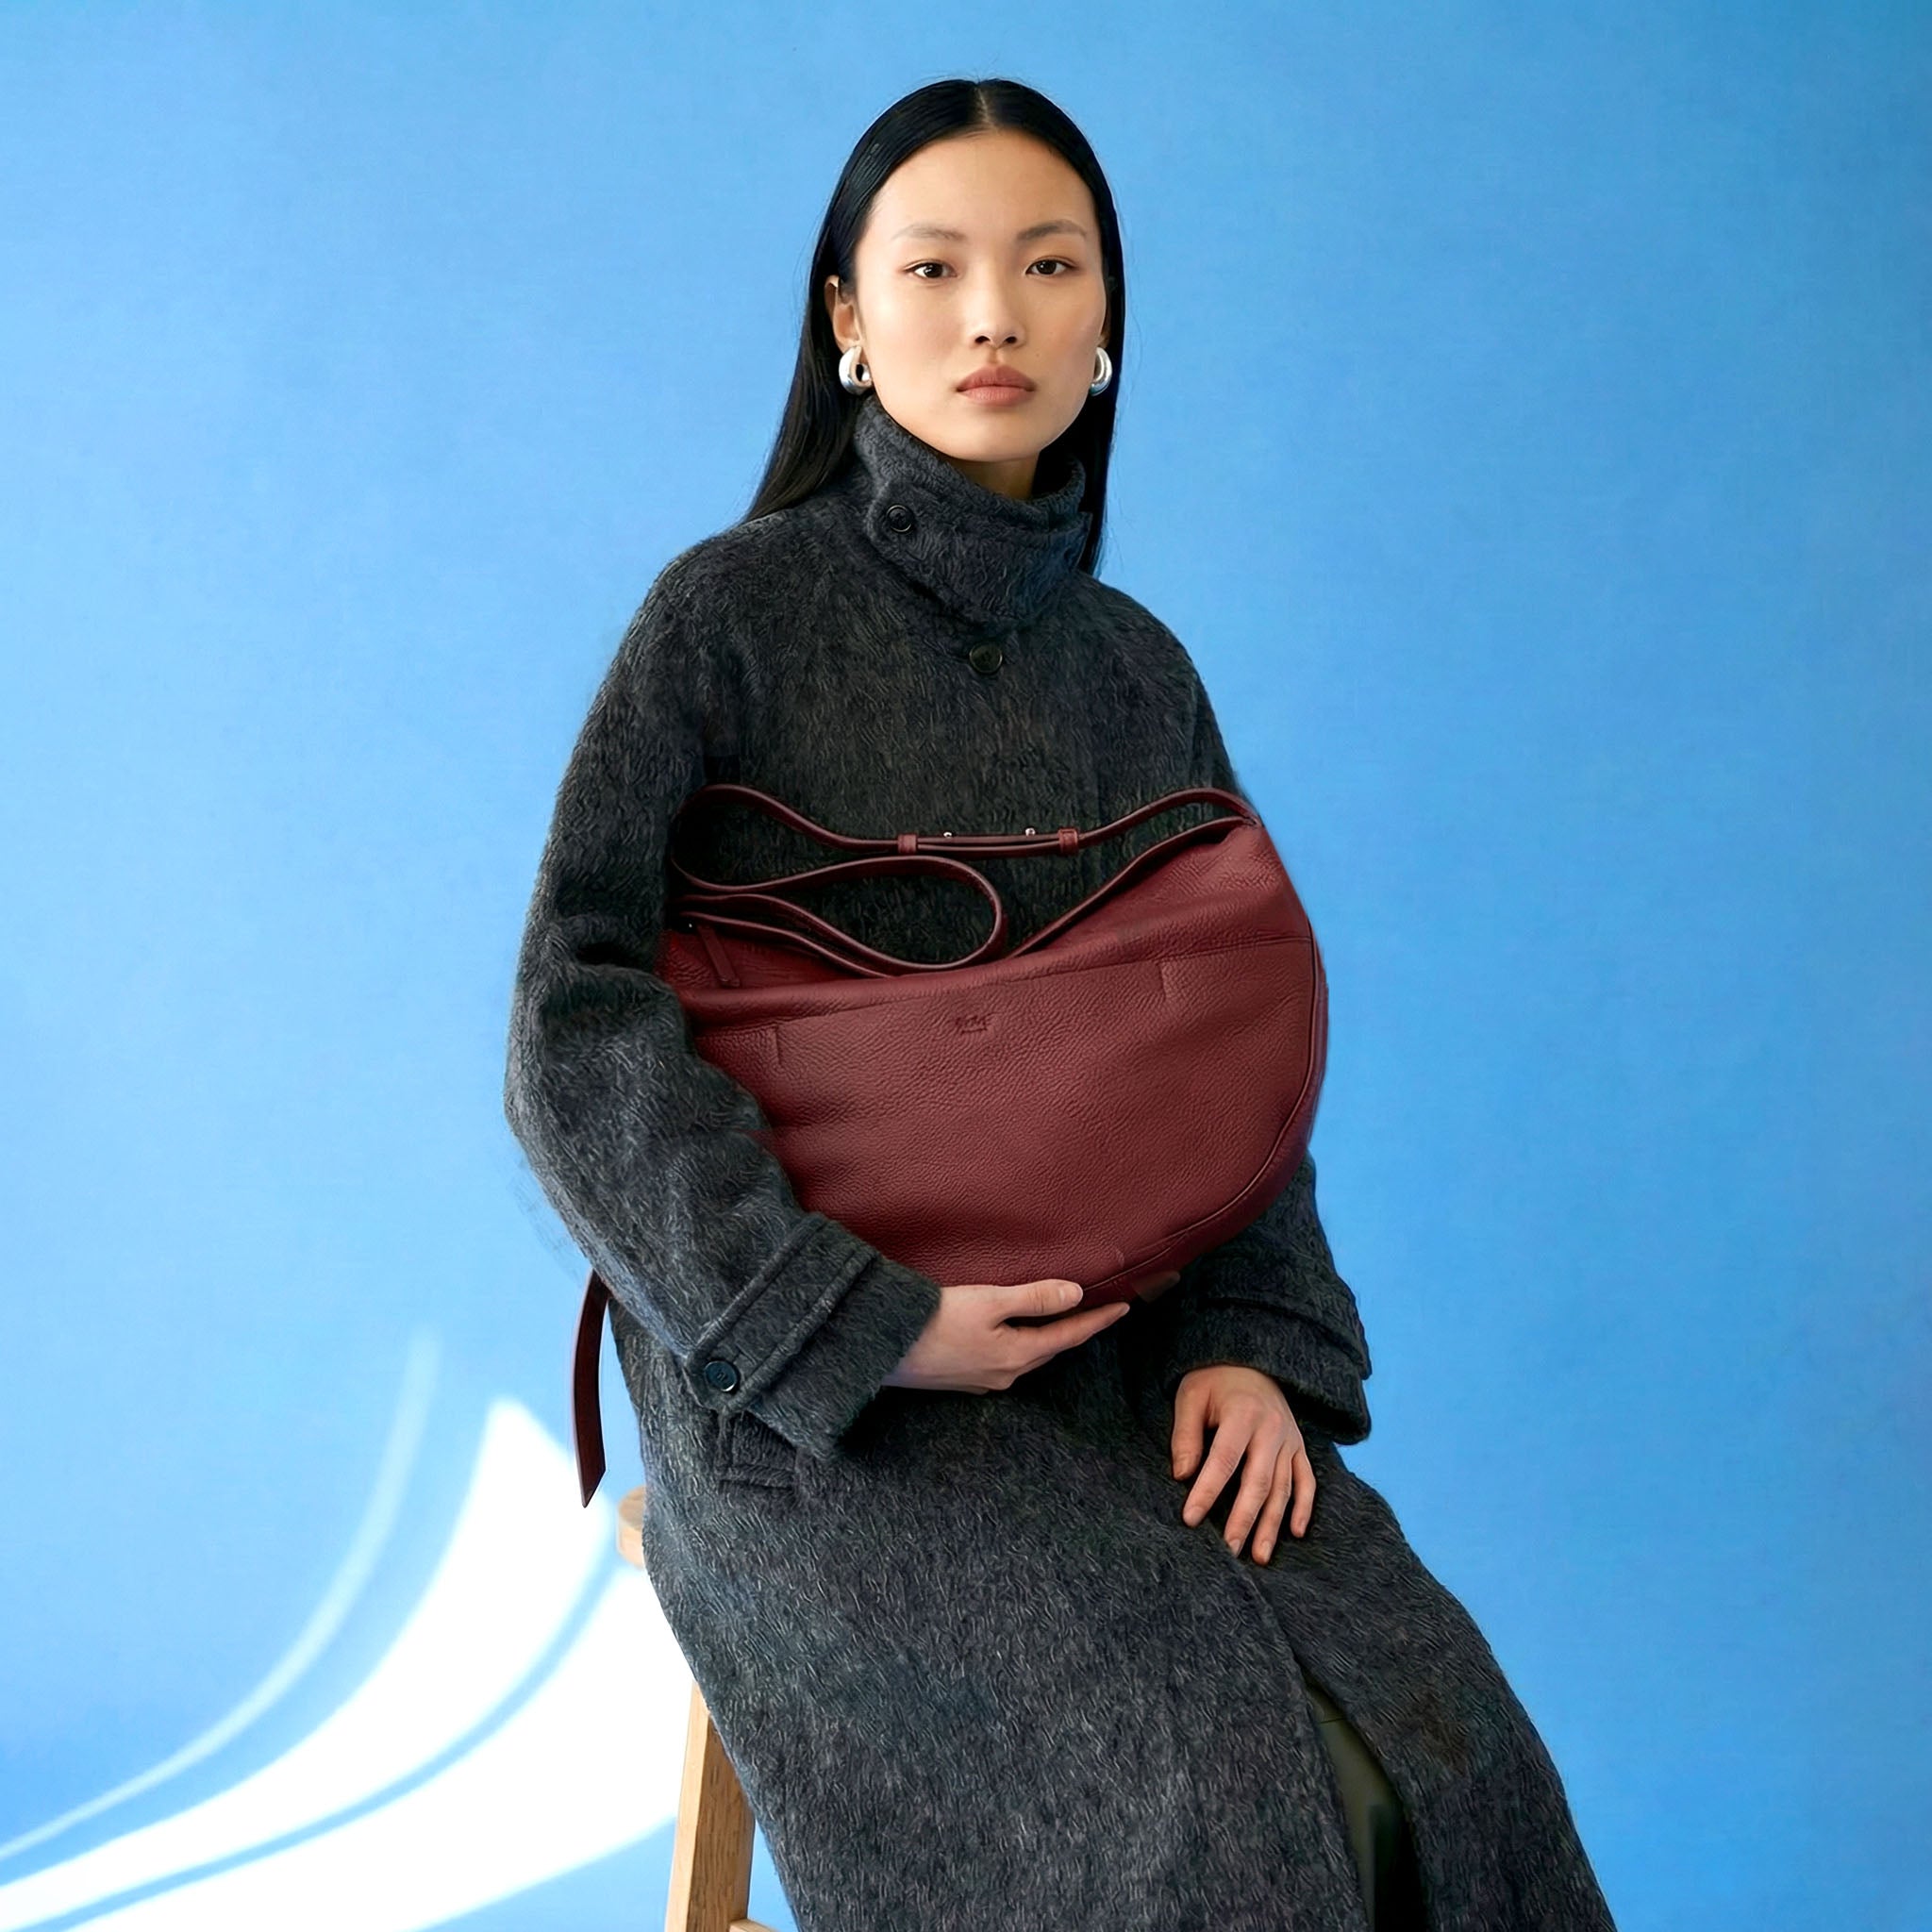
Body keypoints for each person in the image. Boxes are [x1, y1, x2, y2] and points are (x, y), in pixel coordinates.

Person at [505, 75, 1619, 1932]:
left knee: (1448, 1739)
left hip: (1128, 1358)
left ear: (1106, 321)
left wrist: (1257, 1341)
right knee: (1177, 1776)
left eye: (1046, 265)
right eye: (931, 268)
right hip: (812, 1402)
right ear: (847, 320)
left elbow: (1228, 1053)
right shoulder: (723, 618)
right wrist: (846, 1325)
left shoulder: (1136, 673)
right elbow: (573, 1017)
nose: (993, 315)